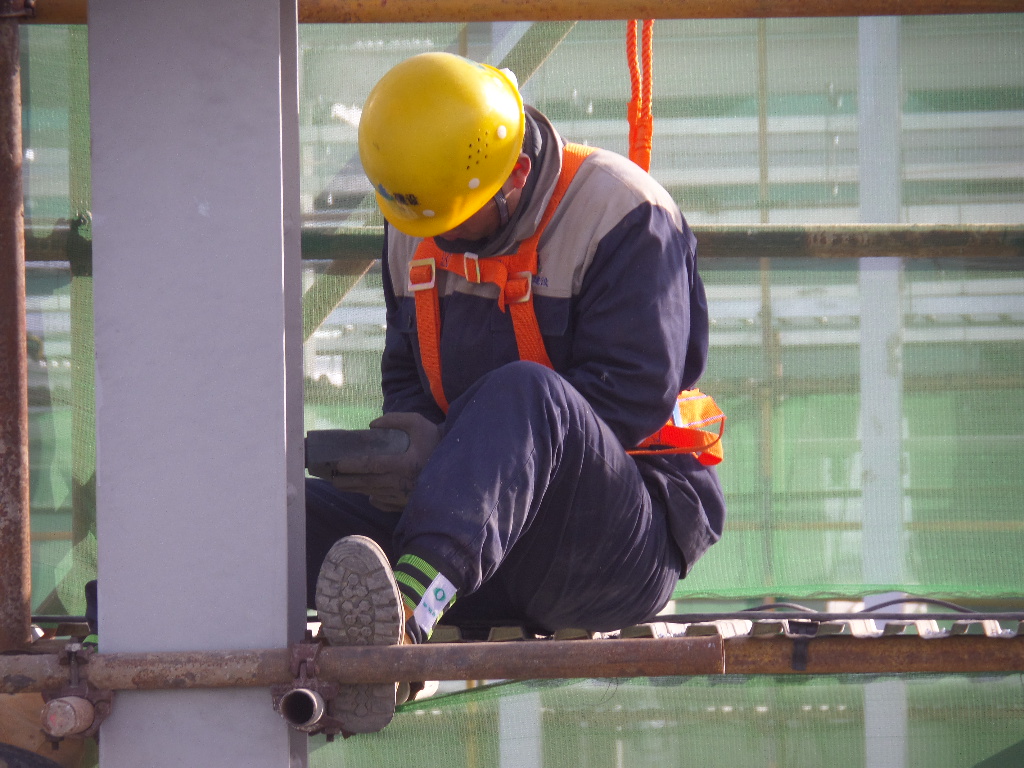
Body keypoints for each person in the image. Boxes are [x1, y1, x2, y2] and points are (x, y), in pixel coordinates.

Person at [306, 51, 726, 735]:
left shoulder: (624, 214)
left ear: (516, 177)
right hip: (472, 539)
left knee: (529, 396)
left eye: (455, 222)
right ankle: (139, 612)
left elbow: (628, 399)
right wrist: (406, 452)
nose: (435, 239)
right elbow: (406, 370)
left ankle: (401, 627)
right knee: (285, 512)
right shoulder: (422, 209)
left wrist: (457, 455)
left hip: (607, 548)